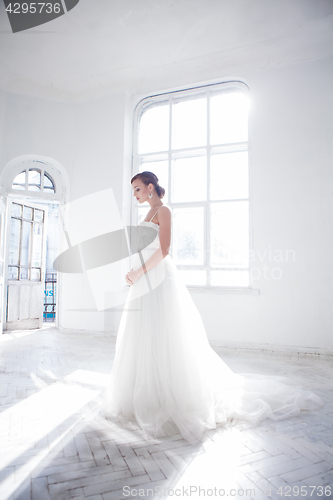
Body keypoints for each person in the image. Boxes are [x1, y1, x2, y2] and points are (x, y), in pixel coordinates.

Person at [101, 171, 323, 444]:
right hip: (144, 279)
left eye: (137, 189)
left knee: (164, 334)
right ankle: (147, 394)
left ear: (150, 187)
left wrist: (139, 273)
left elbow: (165, 249)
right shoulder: (147, 214)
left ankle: (170, 396)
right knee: (143, 336)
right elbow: (145, 249)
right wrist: (133, 272)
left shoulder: (164, 210)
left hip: (158, 279)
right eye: (133, 190)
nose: (134, 194)